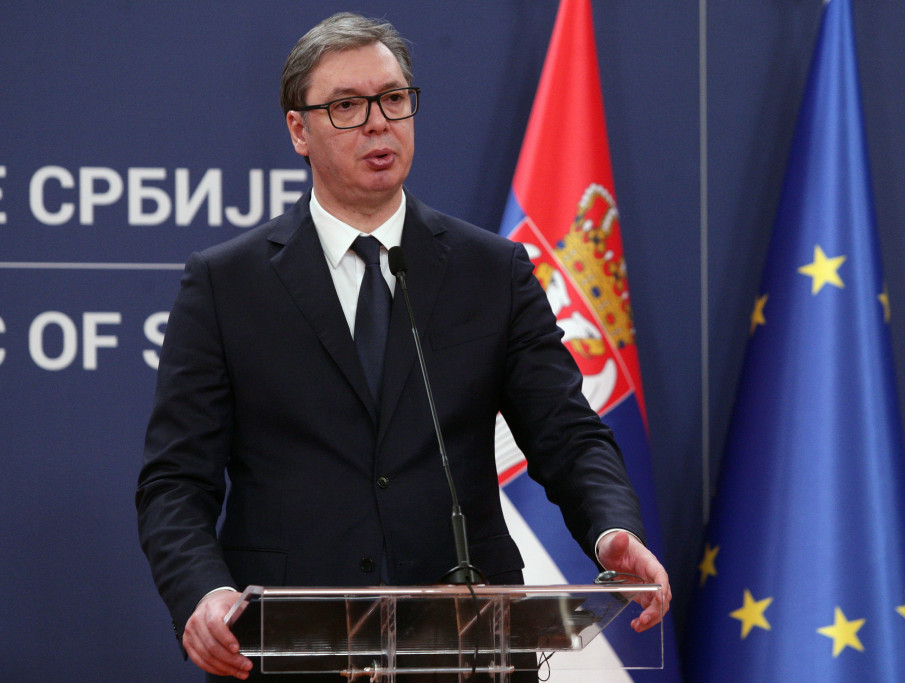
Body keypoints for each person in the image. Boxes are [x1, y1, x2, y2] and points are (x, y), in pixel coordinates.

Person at [136, 12, 671, 681]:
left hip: (468, 646)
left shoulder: (492, 271)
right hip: (289, 652)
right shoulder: (226, 284)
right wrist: (205, 592)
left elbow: (568, 434)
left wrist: (612, 529)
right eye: (346, 106)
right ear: (299, 130)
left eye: (392, 98)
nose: (377, 123)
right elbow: (174, 482)